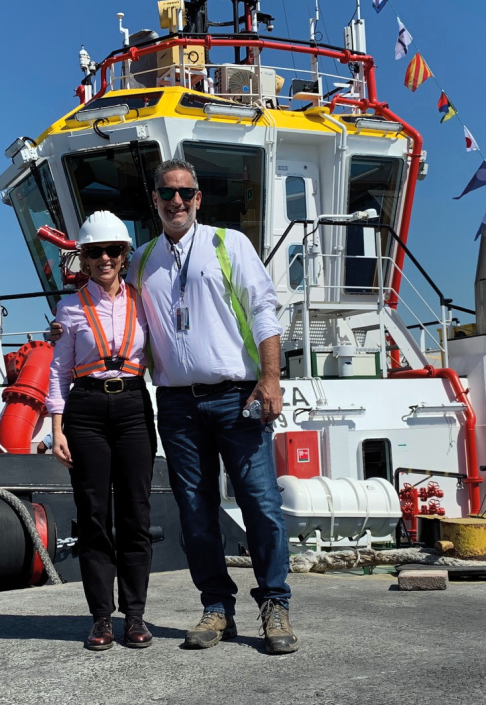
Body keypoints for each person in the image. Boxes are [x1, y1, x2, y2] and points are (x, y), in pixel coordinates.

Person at [130, 157, 297, 655]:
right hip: (177, 403)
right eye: (166, 193)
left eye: (185, 192)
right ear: (155, 200)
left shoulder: (229, 244)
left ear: (198, 199)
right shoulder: (141, 261)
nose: (176, 201)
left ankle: (274, 602)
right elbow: (123, 324)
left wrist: (270, 379)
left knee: (261, 503)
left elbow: (263, 310)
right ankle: (216, 607)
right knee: (195, 511)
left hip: (236, 395)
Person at [46, 211, 157, 651]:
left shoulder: (144, 301)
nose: (105, 258)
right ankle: (100, 619)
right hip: (86, 410)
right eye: (95, 252)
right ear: (84, 259)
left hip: (132, 406)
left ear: (126, 255)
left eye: (113, 251)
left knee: (136, 514)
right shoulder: (69, 308)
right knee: (94, 517)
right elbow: (58, 370)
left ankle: (134, 616)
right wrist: (56, 428)